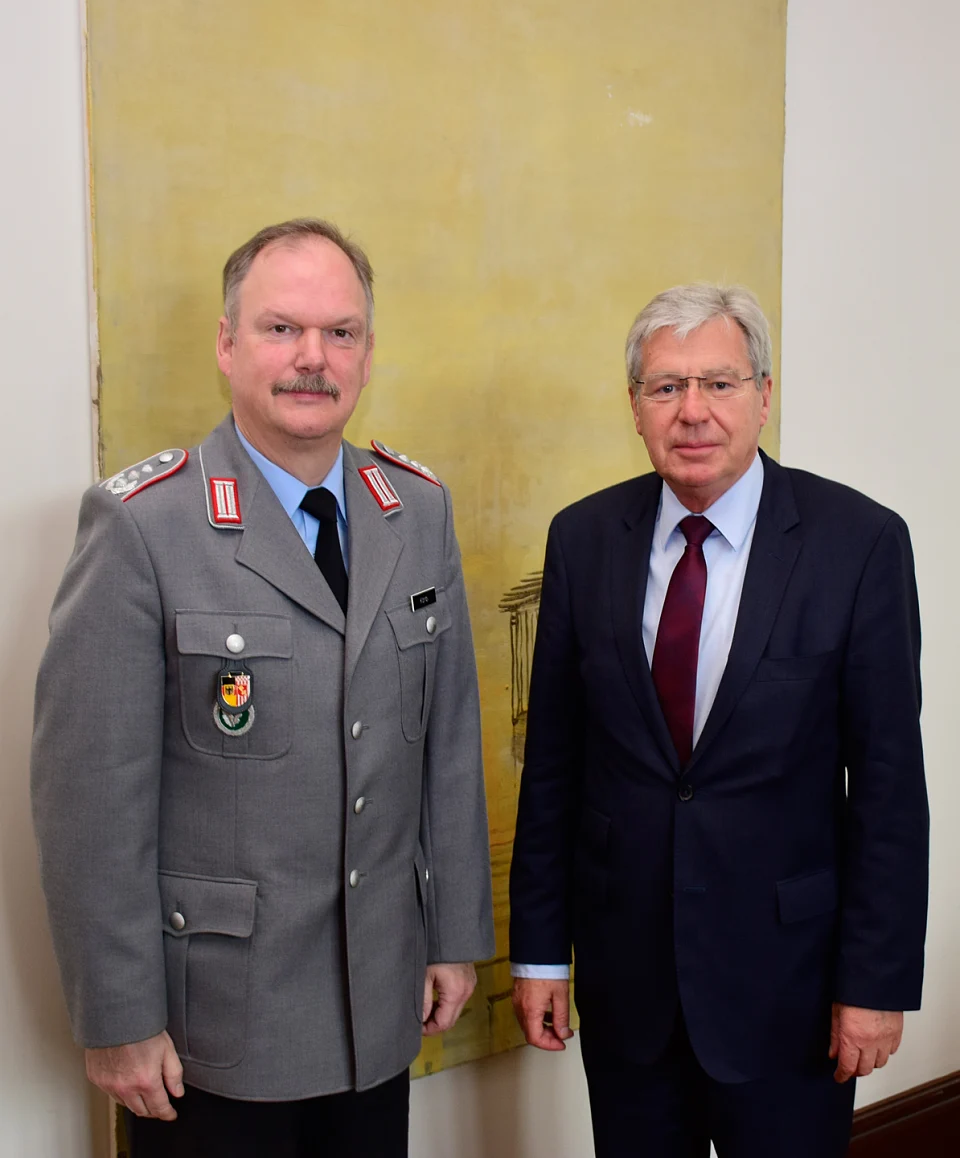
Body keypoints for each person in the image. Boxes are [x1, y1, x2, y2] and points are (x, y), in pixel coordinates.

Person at [32, 217, 494, 1158]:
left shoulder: (416, 511)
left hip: (377, 1002)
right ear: (227, 343)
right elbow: (91, 802)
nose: (311, 359)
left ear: (367, 352)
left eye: (341, 332)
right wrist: (117, 1017)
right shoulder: (143, 528)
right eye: (282, 328)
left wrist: (452, 936)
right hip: (214, 1031)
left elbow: (445, 744)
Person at [509, 284, 928, 1158]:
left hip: (794, 996)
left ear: (764, 395)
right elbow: (554, 766)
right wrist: (541, 956)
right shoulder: (582, 540)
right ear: (634, 407)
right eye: (665, 388)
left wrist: (875, 984)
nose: (692, 411)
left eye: (720, 384)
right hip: (629, 996)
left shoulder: (858, 543)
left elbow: (888, 787)